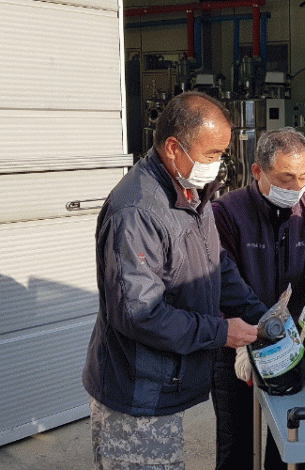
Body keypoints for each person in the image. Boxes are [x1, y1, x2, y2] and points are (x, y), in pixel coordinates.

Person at [83, 91, 268, 469]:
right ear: (173, 148)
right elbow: (139, 314)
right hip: (138, 394)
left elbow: (216, 265)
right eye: (212, 154)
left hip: (166, 383)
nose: (217, 166)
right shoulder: (136, 212)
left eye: (222, 154)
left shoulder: (191, 191)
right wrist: (221, 332)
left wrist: (259, 315)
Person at [211, 126, 305, 470]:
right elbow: (216, 282)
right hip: (238, 342)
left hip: (294, 343)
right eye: (285, 178)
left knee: (292, 442)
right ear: (258, 171)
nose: (296, 187)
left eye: (303, 176)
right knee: (236, 445)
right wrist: (241, 339)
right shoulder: (225, 213)